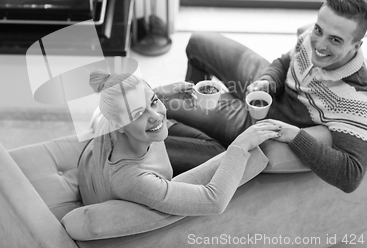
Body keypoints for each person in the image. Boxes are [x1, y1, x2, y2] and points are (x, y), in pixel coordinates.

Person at [168, 0, 367, 193]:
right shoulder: (315, 38)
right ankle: (196, 123)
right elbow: (285, 62)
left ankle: (205, 142)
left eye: (335, 40)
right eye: (318, 30)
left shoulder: (358, 101)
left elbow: (351, 176)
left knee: (168, 100)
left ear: (356, 46)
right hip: (267, 90)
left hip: (267, 121)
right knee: (199, 42)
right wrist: (267, 81)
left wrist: (295, 135)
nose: (320, 44)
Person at [77, 70, 281, 216]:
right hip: (113, 178)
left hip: (101, 158)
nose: (156, 115)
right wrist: (240, 145)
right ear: (118, 125)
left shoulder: (112, 120)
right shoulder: (132, 180)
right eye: (138, 113)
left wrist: (164, 92)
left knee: (206, 143)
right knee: (216, 150)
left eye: (154, 101)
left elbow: (134, 105)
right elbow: (214, 202)